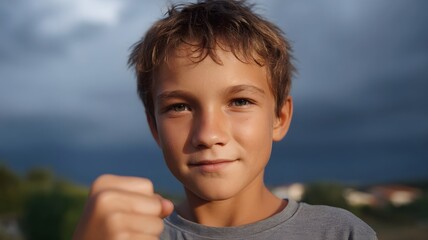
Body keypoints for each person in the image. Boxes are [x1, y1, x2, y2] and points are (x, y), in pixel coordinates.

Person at [73, 0, 377, 239]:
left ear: (280, 117)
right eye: (180, 107)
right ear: (154, 126)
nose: (208, 134)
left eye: (240, 101)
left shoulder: (339, 233)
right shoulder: (128, 236)